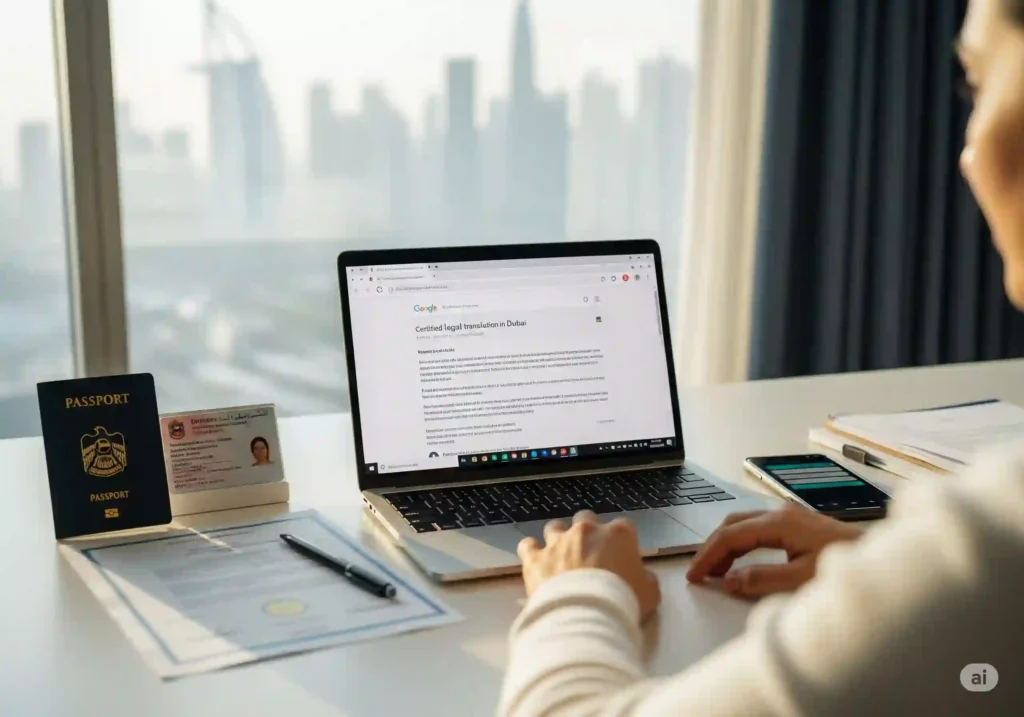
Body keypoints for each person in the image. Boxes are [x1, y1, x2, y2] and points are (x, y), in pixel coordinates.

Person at [498, 1, 1024, 714]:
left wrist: (576, 593)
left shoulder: (1000, 540)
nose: (966, 150)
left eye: (977, 78)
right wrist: (888, 577)